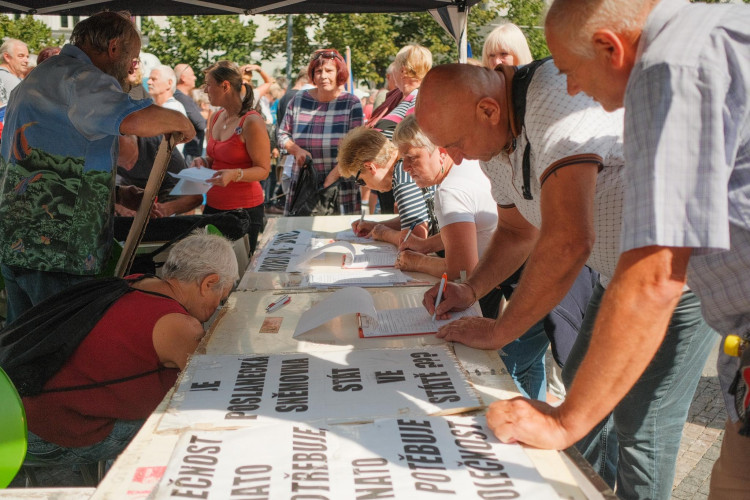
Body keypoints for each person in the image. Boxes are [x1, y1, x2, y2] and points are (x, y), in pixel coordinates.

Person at [414, 62, 716, 500]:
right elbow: (520, 232)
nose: (456, 158)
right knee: (581, 392)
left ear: (488, 110)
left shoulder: (555, 102)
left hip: (681, 276)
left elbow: (569, 241)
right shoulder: (494, 141)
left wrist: (501, 329)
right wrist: (472, 289)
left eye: (456, 144)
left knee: (643, 424)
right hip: (620, 275)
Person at [487, 1, 749, 499]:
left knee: (650, 434)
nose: (570, 88)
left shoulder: (671, 66)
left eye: (569, 70)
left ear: (611, 48)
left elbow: (655, 274)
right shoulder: (715, 36)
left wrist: (566, 422)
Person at [0, 11, 195, 325]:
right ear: (114, 48)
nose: (133, 66)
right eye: (132, 58)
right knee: (64, 354)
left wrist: (116, 193)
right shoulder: (83, 79)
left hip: (20, 244)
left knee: (23, 351)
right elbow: (135, 119)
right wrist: (180, 120)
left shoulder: (42, 76)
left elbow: (48, 162)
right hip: (59, 254)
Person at [21, 232, 237, 464]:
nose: (217, 307)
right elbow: (218, 388)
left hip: (20, 414)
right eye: (221, 299)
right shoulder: (179, 326)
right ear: (208, 283)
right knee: (188, 428)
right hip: (54, 436)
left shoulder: (135, 281)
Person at [390, 115, 549, 400]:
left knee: (501, 381)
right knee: (530, 363)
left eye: (412, 158)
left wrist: (416, 261)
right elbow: (479, 224)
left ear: (441, 151)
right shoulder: (473, 167)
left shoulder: (450, 190)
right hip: (541, 280)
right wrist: (427, 245)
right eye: (402, 160)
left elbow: (461, 272)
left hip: (537, 284)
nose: (405, 168)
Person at [193, 61, 270, 255]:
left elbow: (263, 169)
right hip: (213, 205)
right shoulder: (216, 116)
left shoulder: (251, 121)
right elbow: (213, 156)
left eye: (208, 84)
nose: (205, 90)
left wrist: (235, 174)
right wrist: (203, 161)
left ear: (225, 86)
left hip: (243, 211)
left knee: (237, 271)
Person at [278, 48, 363, 216]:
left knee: (339, 237)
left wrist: (332, 178)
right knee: (301, 235)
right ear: (312, 74)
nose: (323, 76)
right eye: (318, 71)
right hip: (304, 183)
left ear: (339, 73)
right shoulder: (299, 100)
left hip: (340, 184)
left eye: (329, 70)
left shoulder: (351, 103)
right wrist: (296, 150)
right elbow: (282, 134)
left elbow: (357, 147)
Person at [337, 126, 433, 247]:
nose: (365, 186)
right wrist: (377, 226)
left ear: (370, 167)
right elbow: (415, 220)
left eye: (361, 181)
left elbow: (417, 238)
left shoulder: (402, 174)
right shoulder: (400, 163)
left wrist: (384, 234)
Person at [174, 63, 208, 164]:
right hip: (189, 153)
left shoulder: (182, 97)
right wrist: (207, 114)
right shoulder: (181, 98)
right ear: (183, 78)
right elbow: (201, 124)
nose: (195, 77)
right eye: (192, 75)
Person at [0, 38, 29, 107]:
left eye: (27, 56)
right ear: (7, 57)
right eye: (21, 56)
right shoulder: (5, 77)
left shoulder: (14, 77)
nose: (26, 60)